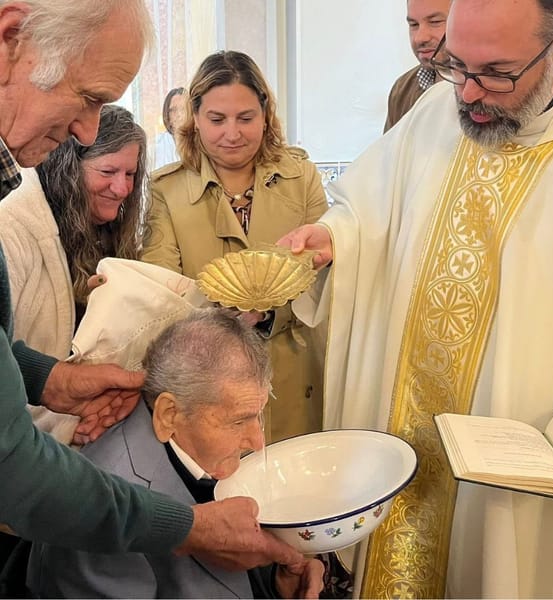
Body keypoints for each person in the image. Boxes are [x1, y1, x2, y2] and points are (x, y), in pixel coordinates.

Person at [279, 0, 553, 597]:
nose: (469, 94)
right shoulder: (433, 113)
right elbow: (367, 210)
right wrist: (333, 238)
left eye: (496, 73)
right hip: (405, 420)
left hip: (519, 436)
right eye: (456, 65)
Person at [0, 0, 305, 585]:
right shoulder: (17, 222)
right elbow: (9, 462)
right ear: (11, 38)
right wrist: (188, 528)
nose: (88, 132)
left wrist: (48, 378)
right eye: (89, 97)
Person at [27, 308, 324, 599]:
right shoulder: (103, 513)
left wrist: (275, 581)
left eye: (257, 415)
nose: (257, 441)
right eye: (238, 422)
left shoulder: (205, 449)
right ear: (169, 414)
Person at [142, 50, 329, 444]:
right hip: (208, 382)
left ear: (266, 114)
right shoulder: (165, 190)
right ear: (194, 117)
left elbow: (325, 277)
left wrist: (271, 313)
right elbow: (160, 290)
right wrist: (221, 316)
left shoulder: (302, 178)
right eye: (217, 119)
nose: (232, 133)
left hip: (294, 375)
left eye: (245, 118)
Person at [0, 104, 147, 444]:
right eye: (108, 171)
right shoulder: (12, 228)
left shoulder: (108, 230)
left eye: (130, 174)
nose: (122, 188)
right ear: (68, 168)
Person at [383, 0, 449, 132]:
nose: (420, 38)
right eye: (413, 24)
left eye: (435, 22)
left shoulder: (488, 88)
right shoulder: (403, 89)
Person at [154, 87, 186, 169]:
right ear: (167, 115)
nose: (179, 114)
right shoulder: (158, 144)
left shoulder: (201, 142)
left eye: (183, 109)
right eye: (174, 110)